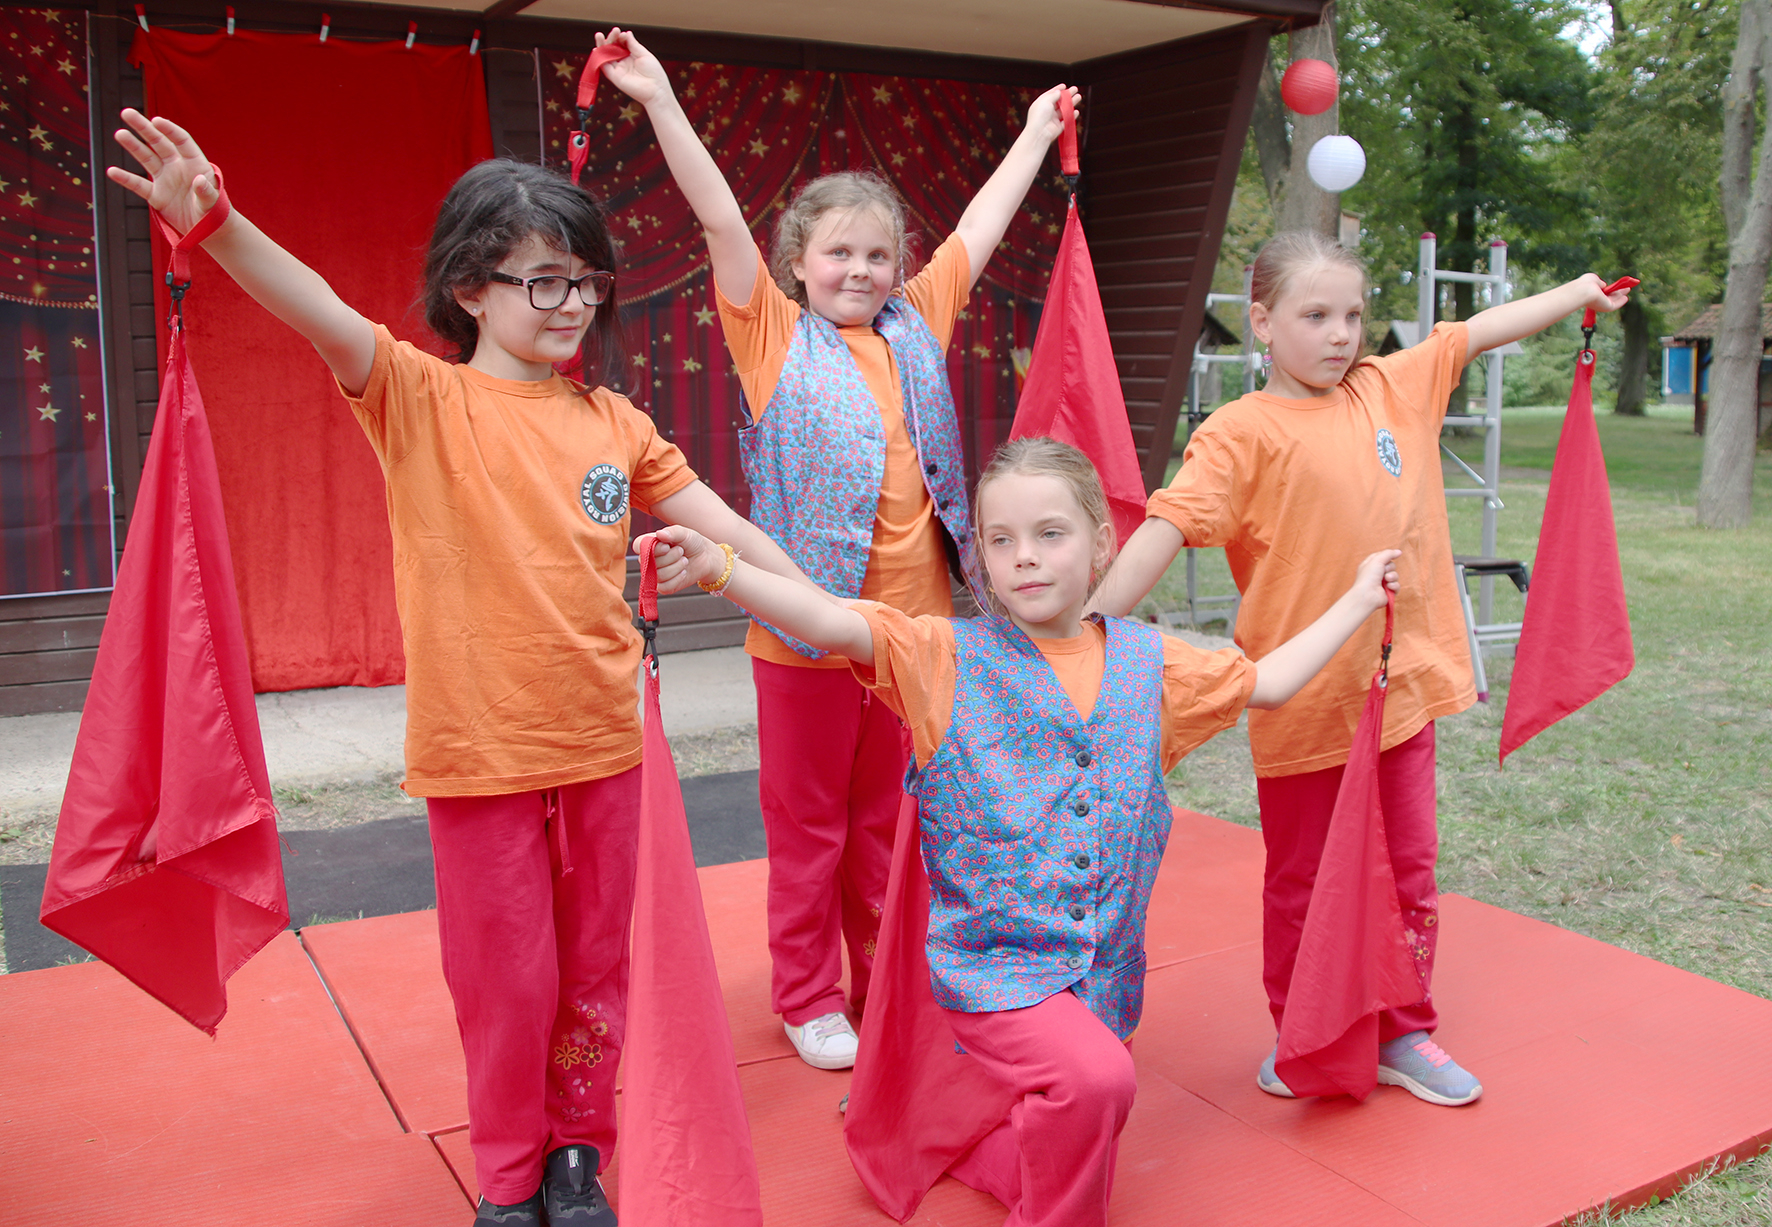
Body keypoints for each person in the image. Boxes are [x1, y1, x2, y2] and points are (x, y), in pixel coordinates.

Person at [106, 109, 810, 1227]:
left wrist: (835, 615)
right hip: (478, 752)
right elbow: (321, 312)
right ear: (471, 289)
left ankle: (581, 1150)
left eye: (587, 280)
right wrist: (218, 223)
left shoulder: (615, 423)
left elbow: (722, 520)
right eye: (544, 280)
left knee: (591, 972)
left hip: (604, 747)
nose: (574, 302)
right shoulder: (418, 398)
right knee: (504, 983)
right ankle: (508, 1173)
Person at [648, 436, 1400, 1227]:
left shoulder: (1154, 667)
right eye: (999, 540)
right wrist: (719, 568)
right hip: (992, 968)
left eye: (1050, 533)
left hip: (1104, 972)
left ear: (1101, 542)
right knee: (1098, 1084)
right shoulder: (944, 657)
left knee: (1086, 1133)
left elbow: (1272, 682)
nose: (1024, 559)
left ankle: (981, 1151)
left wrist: (1357, 598)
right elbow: (833, 623)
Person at [599, 27, 1083, 1070]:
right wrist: (660, 102)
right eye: (838, 253)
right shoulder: (770, 335)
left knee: (892, 823)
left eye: (877, 254)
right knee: (810, 828)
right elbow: (721, 217)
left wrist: (1039, 133)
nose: (859, 269)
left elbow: (983, 225)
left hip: (910, 636)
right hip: (805, 637)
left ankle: (888, 975)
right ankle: (807, 993)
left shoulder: (918, 320)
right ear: (798, 264)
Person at [1091, 230, 1634, 1107]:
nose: (1341, 334)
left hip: (1402, 694)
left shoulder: (1392, 384)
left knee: (1407, 868)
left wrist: (1576, 290)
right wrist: (1085, 625)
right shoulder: (1239, 433)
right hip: (1304, 705)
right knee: (1305, 882)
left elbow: (1482, 329)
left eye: (1353, 314)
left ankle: (1404, 1028)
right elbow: (1164, 526)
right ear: (1262, 321)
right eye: (1316, 316)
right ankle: (1305, 1031)